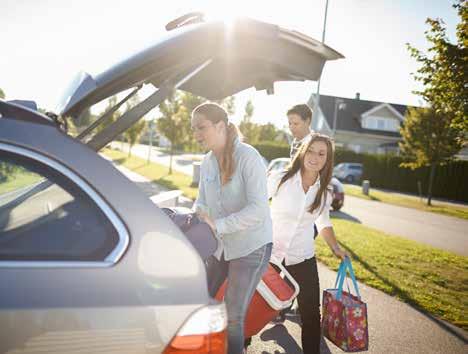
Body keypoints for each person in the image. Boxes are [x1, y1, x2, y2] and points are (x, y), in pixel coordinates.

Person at [191, 102, 272, 354]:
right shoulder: (207, 162)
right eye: (194, 129)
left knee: (233, 316)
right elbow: (202, 201)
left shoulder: (249, 157)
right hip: (220, 247)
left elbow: (259, 209)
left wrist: (219, 225)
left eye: (201, 127)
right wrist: (198, 216)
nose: (196, 134)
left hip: (251, 247)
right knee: (203, 304)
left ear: (221, 125)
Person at [268, 133, 348, 354]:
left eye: (321, 153)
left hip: (302, 256)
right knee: (257, 305)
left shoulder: (325, 191)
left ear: (327, 159)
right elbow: (258, 207)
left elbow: (323, 222)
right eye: (311, 151)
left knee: (311, 314)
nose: (315, 157)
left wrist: (336, 248)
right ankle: (241, 345)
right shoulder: (279, 178)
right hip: (270, 253)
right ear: (303, 151)